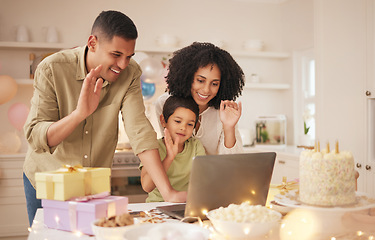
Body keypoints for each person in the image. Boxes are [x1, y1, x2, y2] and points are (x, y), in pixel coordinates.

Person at [23, 10, 185, 226]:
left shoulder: (130, 74)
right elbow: (36, 137)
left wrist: (168, 192)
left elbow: (139, 130)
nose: (123, 64)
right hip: (47, 182)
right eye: (116, 55)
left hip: (93, 187)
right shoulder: (52, 68)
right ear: (92, 43)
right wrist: (79, 114)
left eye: (129, 56)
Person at [155, 42, 245, 155]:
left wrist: (229, 127)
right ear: (187, 77)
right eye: (200, 81)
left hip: (214, 172)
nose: (206, 90)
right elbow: (169, 147)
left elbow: (232, 161)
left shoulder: (225, 111)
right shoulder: (164, 103)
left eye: (214, 84)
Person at [140, 96, 206, 202]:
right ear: (163, 121)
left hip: (185, 204)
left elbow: (203, 179)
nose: (183, 128)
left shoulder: (196, 146)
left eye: (189, 124)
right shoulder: (153, 148)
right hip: (157, 206)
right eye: (178, 121)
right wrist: (169, 157)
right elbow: (147, 186)